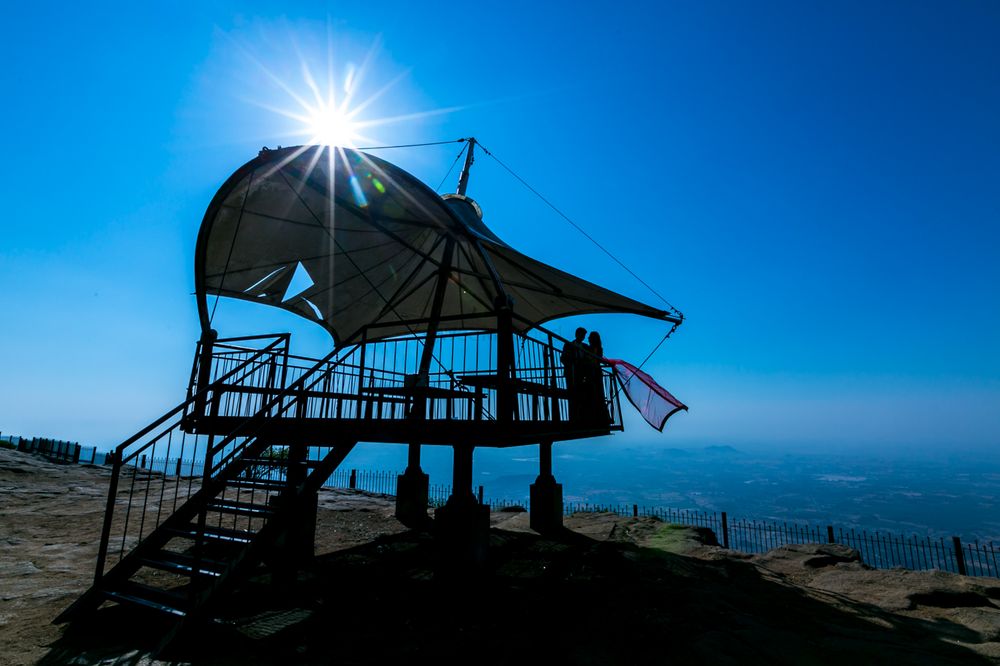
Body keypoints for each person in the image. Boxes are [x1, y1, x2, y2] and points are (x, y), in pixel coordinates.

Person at [583, 331, 610, 425]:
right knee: (597, 394)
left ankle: (597, 416)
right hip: (595, 373)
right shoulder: (597, 348)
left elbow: (594, 360)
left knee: (595, 394)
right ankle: (600, 416)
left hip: (594, 373)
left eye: (590, 337)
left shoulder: (592, 348)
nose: (588, 338)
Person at [561, 327, 587, 422]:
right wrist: (572, 363)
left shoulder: (585, 346)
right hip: (571, 373)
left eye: (584, 335)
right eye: (581, 335)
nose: (583, 337)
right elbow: (563, 358)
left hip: (581, 374)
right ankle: (574, 417)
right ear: (576, 334)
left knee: (580, 395)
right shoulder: (568, 345)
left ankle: (580, 416)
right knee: (572, 394)